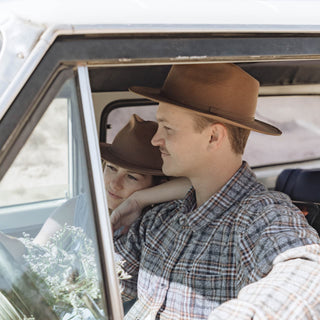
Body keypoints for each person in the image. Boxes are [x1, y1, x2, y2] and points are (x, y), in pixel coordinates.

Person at [113, 63, 320, 319]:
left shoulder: (260, 215)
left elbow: (305, 274)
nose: (156, 139)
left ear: (213, 137)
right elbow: (109, 282)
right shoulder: (160, 218)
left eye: (167, 128)